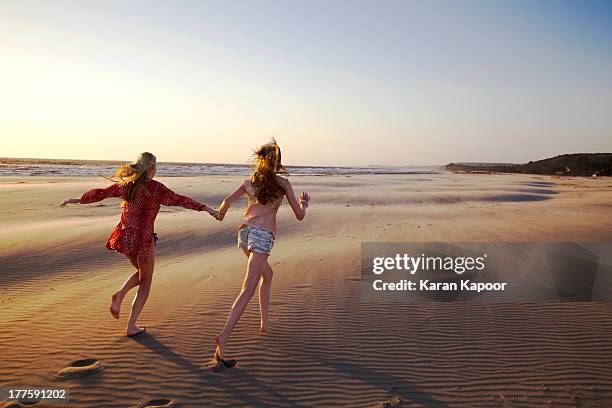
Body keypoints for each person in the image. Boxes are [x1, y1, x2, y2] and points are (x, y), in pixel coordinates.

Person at [60, 152, 218, 336]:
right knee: (146, 281)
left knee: (142, 275)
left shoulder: (127, 186)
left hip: (126, 236)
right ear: (152, 168)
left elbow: (101, 194)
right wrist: (207, 208)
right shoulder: (156, 188)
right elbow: (180, 200)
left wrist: (77, 200)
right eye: (155, 166)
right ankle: (129, 320)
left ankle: (121, 296)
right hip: (143, 239)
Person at [213, 141, 310, 363]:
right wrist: (304, 204)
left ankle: (264, 322)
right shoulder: (283, 184)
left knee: (268, 275)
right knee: (248, 288)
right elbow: (300, 215)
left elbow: (226, 202)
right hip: (262, 237)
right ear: (278, 162)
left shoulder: (250, 182)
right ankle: (224, 335)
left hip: (245, 234)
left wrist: (220, 213)